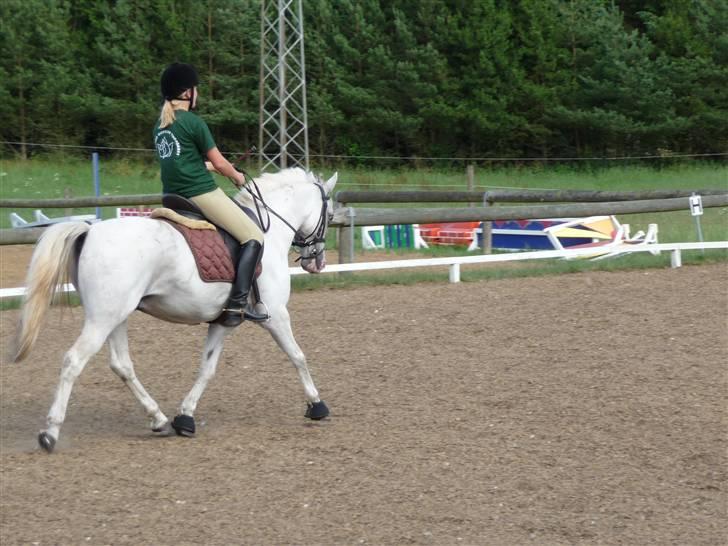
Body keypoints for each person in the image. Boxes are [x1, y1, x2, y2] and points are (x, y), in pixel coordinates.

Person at [153, 62, 267, 327]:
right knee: (254, 236)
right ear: (186, 93)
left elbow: (180, 160)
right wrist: (235, 176)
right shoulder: (194, 122)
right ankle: (238, 304)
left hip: (172, 195)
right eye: (196, 89)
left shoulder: (160, 125)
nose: (198, 94)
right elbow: (218, 162)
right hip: (199, 193)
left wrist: (212, 167)